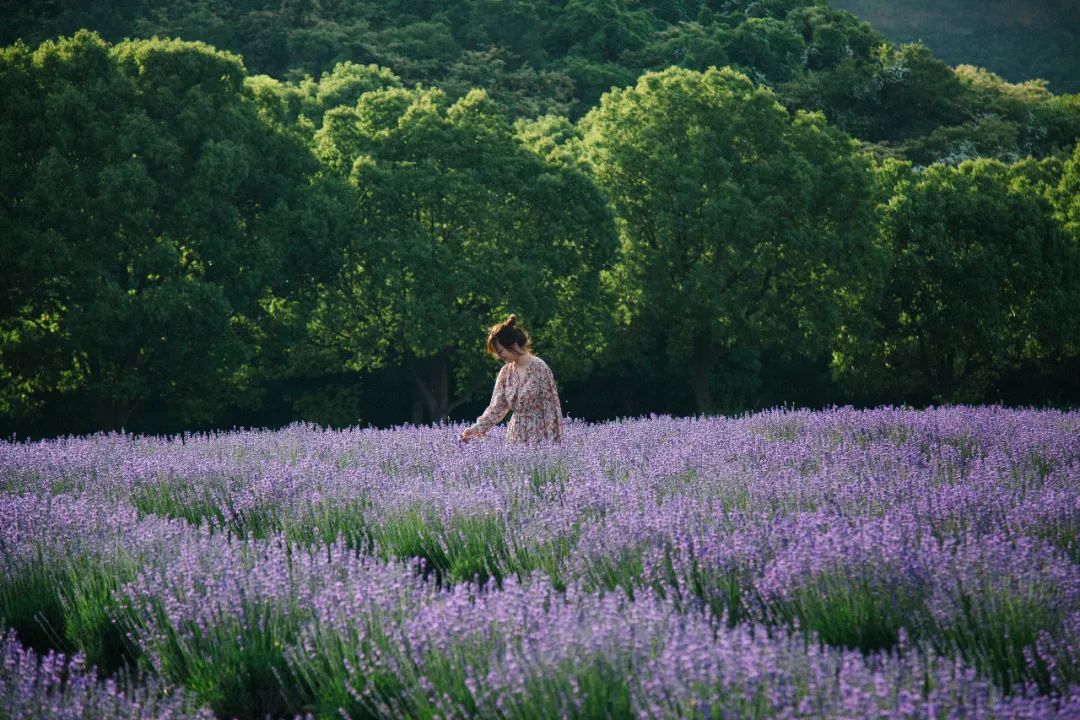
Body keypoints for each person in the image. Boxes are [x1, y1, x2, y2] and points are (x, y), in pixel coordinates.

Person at [460, 314, 564, 445]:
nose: (498, 356)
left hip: (539, 437)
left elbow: (552, 409)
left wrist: (554, 446)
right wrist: (475, 428)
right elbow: (496, 408)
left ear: (513, 344)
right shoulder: (506, 373)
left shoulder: (540, 368)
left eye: (500, 351)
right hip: (515, 437)